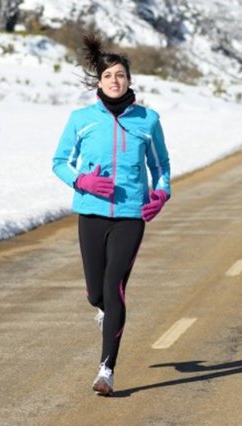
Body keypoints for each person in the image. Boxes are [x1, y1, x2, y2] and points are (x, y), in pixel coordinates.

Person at [52, 33, 171, 396]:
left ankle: (106, 370)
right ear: (98, 82)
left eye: (120, 75)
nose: (114, 81)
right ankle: (105, 312)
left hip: (131, 214)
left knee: (114, 286)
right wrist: (82, 180)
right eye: (108, 76)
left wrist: (162, 192)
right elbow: (59, 163)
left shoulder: (147, 120)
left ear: (129, 80)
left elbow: (161, 165)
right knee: (95, 293)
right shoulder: (81, 119)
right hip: (91, 212)